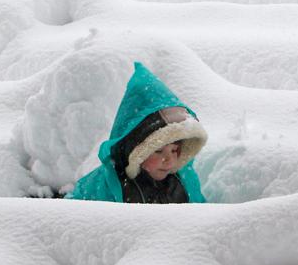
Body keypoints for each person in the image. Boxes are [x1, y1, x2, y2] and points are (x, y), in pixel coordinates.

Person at [65, 62, 208, 203]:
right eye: (158, 151)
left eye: (174, 150)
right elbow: (74, 214)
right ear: (135, 151)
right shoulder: (107, 184)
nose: (169, 160)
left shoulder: (184, 180)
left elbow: (200, 213)